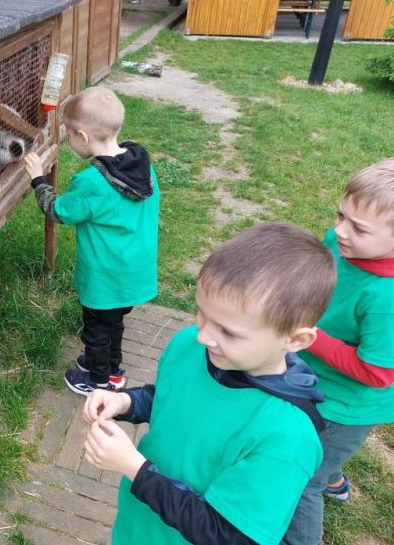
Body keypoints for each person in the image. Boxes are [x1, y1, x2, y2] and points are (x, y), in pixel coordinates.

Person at [82, 222, 335, 545]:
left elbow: (229, 536)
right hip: (137, 527)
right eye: (201, 312)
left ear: (296, 339)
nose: (203, 335)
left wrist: (135, 469)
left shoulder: (287, 436)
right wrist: (125, 402)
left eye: (228, 331)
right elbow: (172, 398)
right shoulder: (189, 346)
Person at [283, 159, 394, 545]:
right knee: (309, 445)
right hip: (313, 375)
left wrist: (313, 337)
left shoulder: (386, 297)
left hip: (346, 406)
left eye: (358, 228)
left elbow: (378, 373)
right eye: (340, 215)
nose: (340, 230)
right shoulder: (340, 242)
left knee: (302, 483)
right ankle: (332, 473)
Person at [23, 87, 159, 395]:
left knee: (97, 329)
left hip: (105, 276)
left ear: (83, 137)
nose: (69, 140)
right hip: (134, 270)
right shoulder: (143, 166)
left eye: (69, 135)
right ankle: (112, 369)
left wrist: (38, 179)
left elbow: (58, 210)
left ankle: (99, 383)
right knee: (113, 323)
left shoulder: (92, 182)